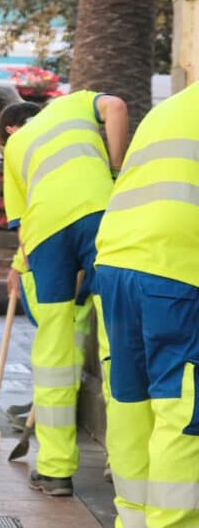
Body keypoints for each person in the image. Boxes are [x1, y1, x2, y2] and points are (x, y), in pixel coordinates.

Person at [0, 90, 127, 497]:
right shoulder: (73, 103)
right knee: (115, 342)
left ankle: (54, 471)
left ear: (10, 130)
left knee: (54, 348)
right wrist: (115, 171)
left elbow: (24, 232)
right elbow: (117, 107)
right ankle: (122, 464)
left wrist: (19, 272)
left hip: (46, 236)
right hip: (99, 216)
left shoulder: (13, 147)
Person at [93, 84, 199, 528]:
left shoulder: (173, 106)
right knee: (182, 409)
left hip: (116, 259)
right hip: (174, 265)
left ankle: (132, 520)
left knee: (131, 400)